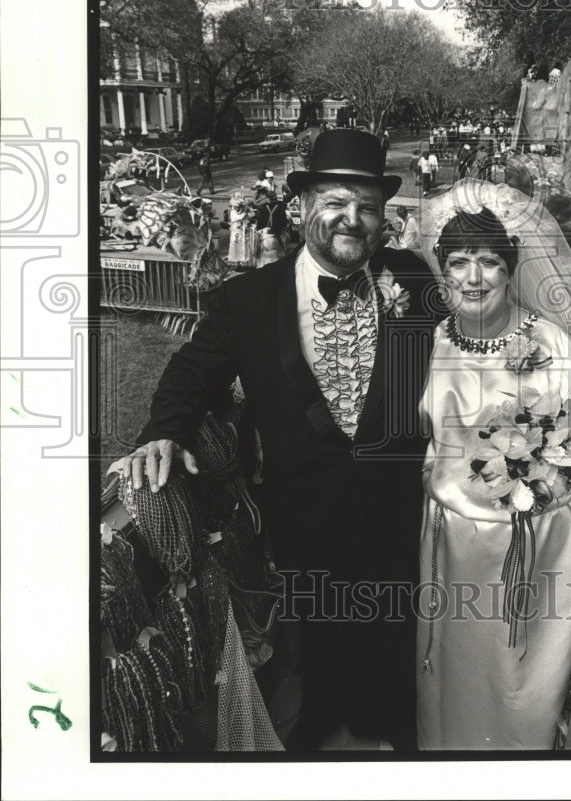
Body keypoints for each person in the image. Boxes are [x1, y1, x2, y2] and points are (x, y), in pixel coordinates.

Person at [110, 129, 442, 753]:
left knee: (394, 610)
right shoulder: (248, 299)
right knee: (316, 615)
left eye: (367, 206)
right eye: (336, 201)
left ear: (382, 217)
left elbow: (466, 355)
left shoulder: (413, 281)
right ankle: (322, 710)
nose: (352, 218)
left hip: (396, 494)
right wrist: (163, 432)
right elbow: (190, 371)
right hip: (301, 499)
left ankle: (392, 716)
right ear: (303, 206)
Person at [415, 179, 571, 750]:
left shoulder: (552, 344)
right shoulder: (429, 343)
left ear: (511, 269)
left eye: (489, 262)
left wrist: (542, 479)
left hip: (536, 541)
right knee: (454, 670)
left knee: (517, 677)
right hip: (450, 543)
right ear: (442, 268)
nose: (473, 277)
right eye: (459, 262)